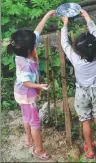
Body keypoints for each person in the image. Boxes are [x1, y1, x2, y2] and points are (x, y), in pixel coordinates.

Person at [7, 10, 56, 161]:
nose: (37, 45)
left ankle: (29, 140)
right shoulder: (26, 64)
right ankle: (38, 149)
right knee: (35, 122)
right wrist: (39, 86)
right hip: (27, 95)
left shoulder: (21, 52)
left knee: (26, 116)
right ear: (31, 49)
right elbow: (25, 82)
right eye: (35, 44)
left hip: (20, 94)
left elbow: (37, 31)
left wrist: (46, 16)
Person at [61, 9, 96, 159]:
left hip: (82, 92)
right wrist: (88, 16)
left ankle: (89, 151)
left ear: (79, 51)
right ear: (94, 46)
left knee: (85, 121)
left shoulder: (76, 59)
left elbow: (64, 44)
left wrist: (65, 25)